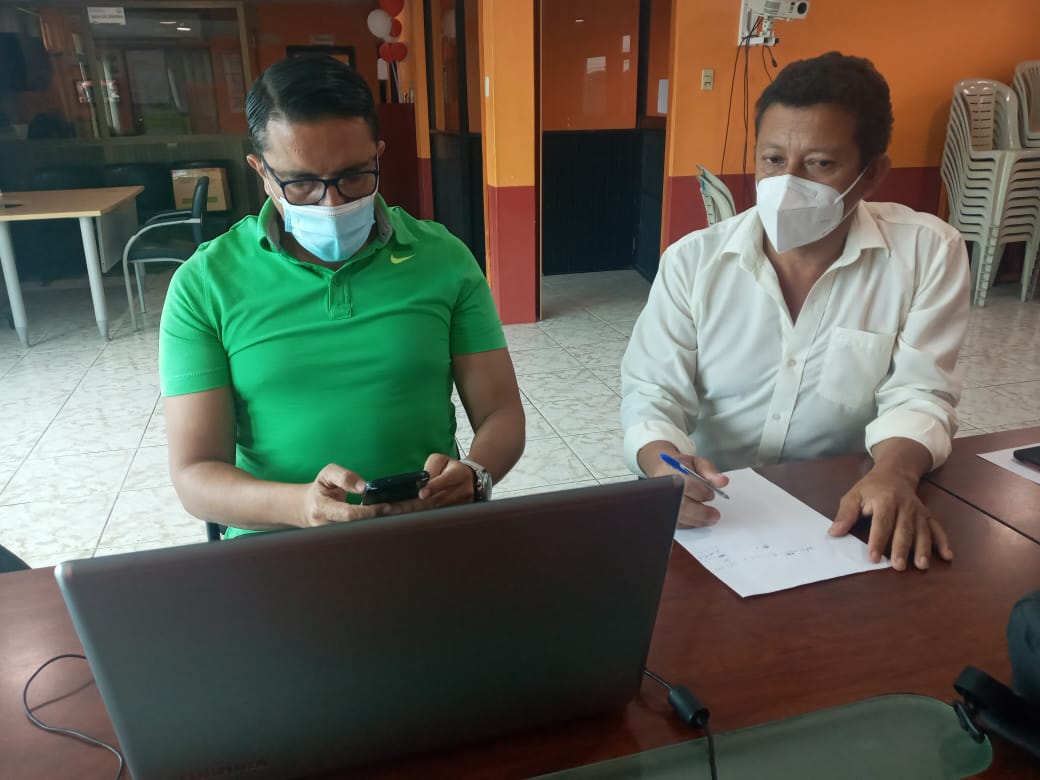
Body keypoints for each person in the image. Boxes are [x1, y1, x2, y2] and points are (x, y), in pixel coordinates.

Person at [621, 52, 969, 572]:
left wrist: (895, 473)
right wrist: (663, 465)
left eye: (820, 164)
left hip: (845, 505)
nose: (787, 182)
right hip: (717, 508)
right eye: (773, 159)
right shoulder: (692, 261)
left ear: (871, 175)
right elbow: (653, 392)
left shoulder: (927, 253)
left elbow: (921, 392)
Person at [160, 55, 525, 538]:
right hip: (277, 550)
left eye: (354, 176)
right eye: (302, 183)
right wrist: (301, 507)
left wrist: (476, 474)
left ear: (378, 155)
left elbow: (501, 414)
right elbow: (195, 475)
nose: (331, 203)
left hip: (426, 533)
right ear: (261, 171)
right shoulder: (205, 283)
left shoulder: (443, 259)